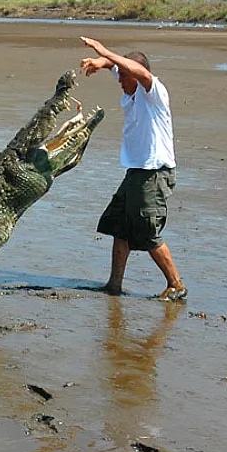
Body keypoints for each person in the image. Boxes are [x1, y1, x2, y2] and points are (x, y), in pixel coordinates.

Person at [79, 36, 186, 301]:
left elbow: (140, 72)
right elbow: (119, 68)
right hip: (136, 171)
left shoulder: (154, 92)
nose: (120, 81)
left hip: (155, 172)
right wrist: (101, 62)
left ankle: (176, 284)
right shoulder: (131, 86)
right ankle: (114, 284)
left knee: (147, 230)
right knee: (119, 225)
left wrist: (104, 51)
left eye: (124, 77)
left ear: (136, 76)